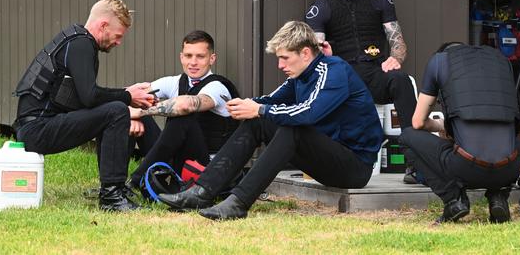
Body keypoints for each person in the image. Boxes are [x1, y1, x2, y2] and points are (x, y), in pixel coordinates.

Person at [130, 21, 383, 220]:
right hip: (327, 157)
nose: (280, 64)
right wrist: (241, 106)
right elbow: (267, 101)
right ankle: (202, 192)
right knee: (258, 120)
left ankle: (238, 203)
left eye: (285, 58)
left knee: (288, 129)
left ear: (306, 53)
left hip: (354, 167)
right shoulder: (300, 75)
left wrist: (260, 110)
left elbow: (309, 112)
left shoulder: (332, 70)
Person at [13, 0, 156, 212]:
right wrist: (127, 97)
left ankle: (115, 189)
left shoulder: (76, 41)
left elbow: (85, 101)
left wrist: (129, 110)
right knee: (116, 111)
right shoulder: (81, 45)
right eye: (117, 36)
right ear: (103, 25)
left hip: (38, 126)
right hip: (37, 130)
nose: (118, 42)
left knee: (117, 111)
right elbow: (90, 97)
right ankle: (111, 197)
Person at [305, 0, 418, 183]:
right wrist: (324, 54)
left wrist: (396, 58)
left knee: (401, 80)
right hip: (344, 79)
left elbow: (397, 41)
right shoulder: (320, 6)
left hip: (375, 74)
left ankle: (415, 162)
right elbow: (312, 54)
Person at [398, 42, 520, 224]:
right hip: (508, 169)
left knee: (407, 137)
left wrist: (443, 125)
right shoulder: (502, 62)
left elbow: (418, 123)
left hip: (467, 167)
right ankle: (499, 197)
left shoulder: (439, 62)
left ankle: (454, 200)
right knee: (515, 139)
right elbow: (517, 122)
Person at [128, 30, 239, 188]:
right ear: (181, 57)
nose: (193, 62)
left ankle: (134, 182)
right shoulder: (174, 82)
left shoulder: (217, 87)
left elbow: (186, 105)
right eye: (188, 56)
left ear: (212, 59)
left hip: (207, 165)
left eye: (200, 56)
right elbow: (129, 95)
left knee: (183, 116)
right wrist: (133, 117)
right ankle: (114, 183)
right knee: (123, 115)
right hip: (177, 158)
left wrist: (138, 112)